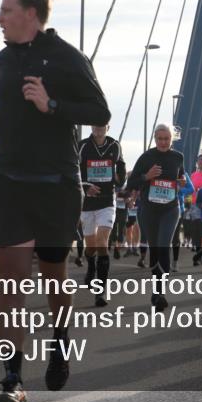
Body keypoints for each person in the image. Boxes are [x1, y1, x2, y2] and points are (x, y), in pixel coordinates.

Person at [0, 0, 110, 402]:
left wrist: (52, 105)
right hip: (11, 183)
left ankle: (60, 340)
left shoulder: (67, 57)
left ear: (30, 14)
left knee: (53, 277)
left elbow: (99, 110)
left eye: (6, 10)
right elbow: (15, 114)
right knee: (10, 283)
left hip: (56, 186)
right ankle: (12, 379)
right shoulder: (4, 59)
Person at [126, 124, 186, 312]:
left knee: (163, 246)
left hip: (170, 209)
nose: (163, 142)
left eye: (166, 139)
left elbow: (181, 176)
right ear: (155, 139)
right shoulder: (146, 157)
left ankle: (160, 293)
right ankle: (157, 290)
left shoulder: (178, 157)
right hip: (149, 210)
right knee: (154, 249)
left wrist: (182, 181)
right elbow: (131, 183)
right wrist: (147, 176)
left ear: (171, 139)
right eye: (160, 138)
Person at [78, 124, 126, 307]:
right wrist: (85, 187)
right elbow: (73, 170)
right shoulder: (82, 146)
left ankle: (100, 291)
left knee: (102, 242)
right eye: (95, 125)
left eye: (102, 125)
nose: (98, 128)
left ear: (108, 127)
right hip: (88, 203)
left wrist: (120, 179)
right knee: (91, 246)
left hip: (107, 202)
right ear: (91, 127)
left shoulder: (115, 145)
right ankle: (91, 266)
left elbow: (121, 165)